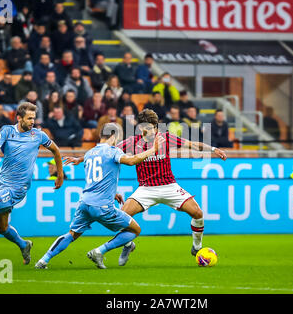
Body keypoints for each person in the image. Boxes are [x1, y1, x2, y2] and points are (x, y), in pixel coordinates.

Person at [35, 123, 164, 269]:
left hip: (85, 203)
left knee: (71, 234)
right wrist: (153, 150)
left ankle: (43, 260)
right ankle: (100, 251)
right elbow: (131, 161)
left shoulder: (90, 153)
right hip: (102, 206)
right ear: (114, 136)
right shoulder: (113, 151)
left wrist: (112, 192)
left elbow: (99, 177)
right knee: (135, 230)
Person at [116, 109, 227, 257]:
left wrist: (213, 149)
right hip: (146, 189)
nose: (152, 131)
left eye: (154, 127)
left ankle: (196, 247)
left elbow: (193, 145)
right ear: (141, 127)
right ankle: (129, 244)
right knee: (119, 217)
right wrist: (82, 158)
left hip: (169, 186)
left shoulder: (166, 138)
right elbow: (108, 152)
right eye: (148, 128)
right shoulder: (133, 142)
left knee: (197, 213)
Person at [0, 102, 64, 264]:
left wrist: (60, 175)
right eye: (29, 118)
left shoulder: (39, 135)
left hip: (17, 188)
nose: (32, 121)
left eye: (33, 118)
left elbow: (56, 151)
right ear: (19, 118)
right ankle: (24, 244)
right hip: (2, 184)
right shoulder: (7, 130)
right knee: (1, 227)